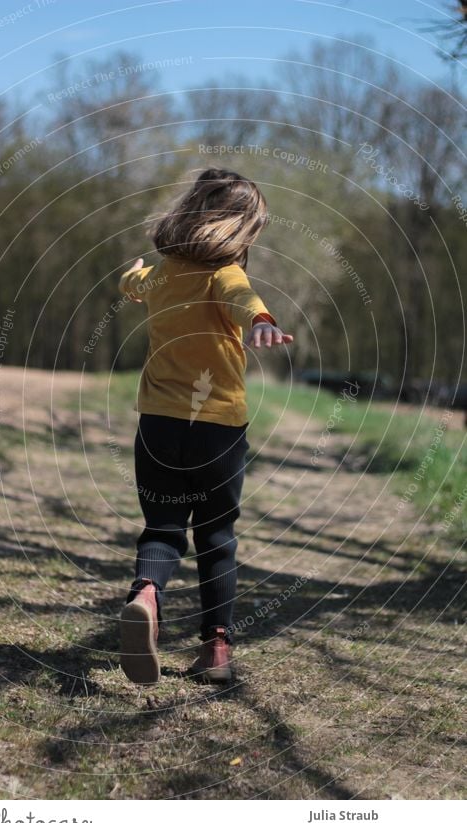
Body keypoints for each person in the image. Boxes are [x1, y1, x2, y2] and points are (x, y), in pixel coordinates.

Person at [118, 168, 293, 685]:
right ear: (239, 229)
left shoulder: (165, 272)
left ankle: (146, 595)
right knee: (216, 536)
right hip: (217, 429)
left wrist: (131, 274)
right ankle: (216, 652)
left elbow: (136, 284)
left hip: (159, 426)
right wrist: (261, 321)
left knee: (163, 528)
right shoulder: (225, 273)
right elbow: (243, 298)